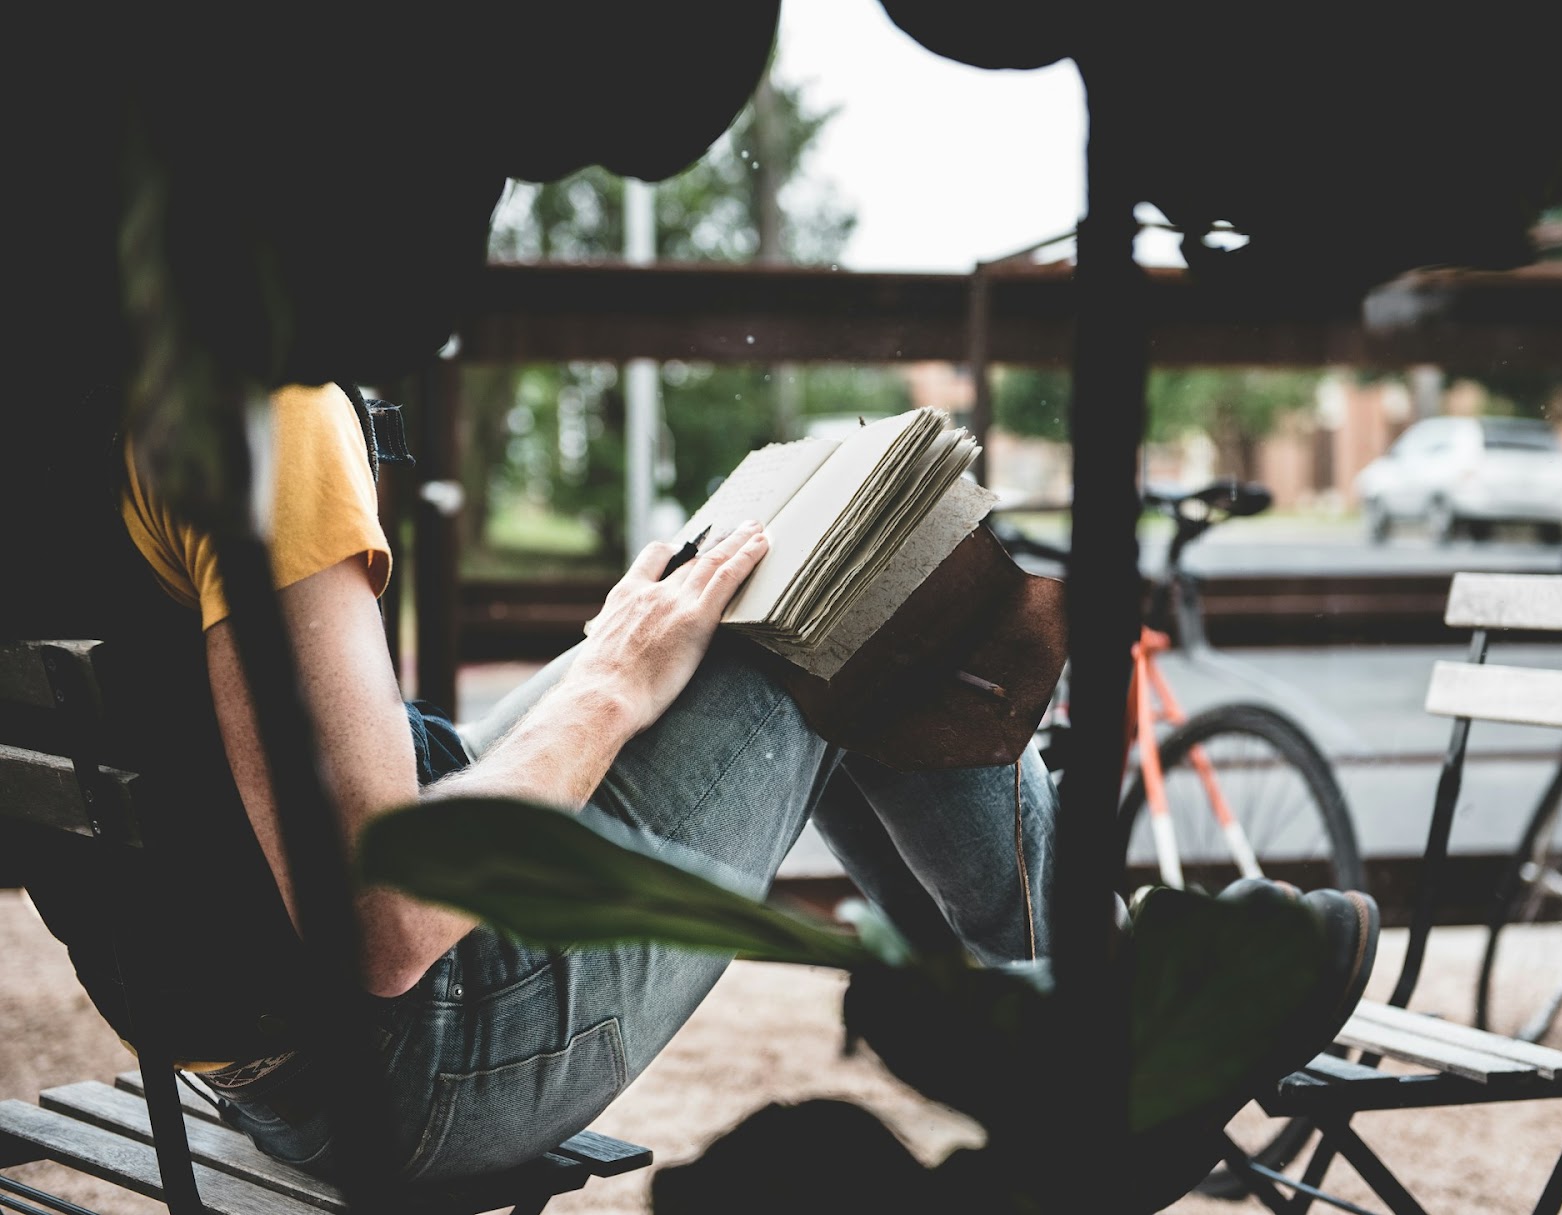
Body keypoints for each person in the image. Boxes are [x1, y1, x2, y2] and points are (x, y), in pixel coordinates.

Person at [107, 380, 1060, 1182]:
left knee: (760, 593)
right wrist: (609, 685)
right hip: (410, 1067)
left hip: (248, 1060)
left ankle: (1037, 993)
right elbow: (383, 920)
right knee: (875, 579)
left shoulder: (84, 407)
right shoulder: (263, 408)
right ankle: (1110, 1032)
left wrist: (622, 653)